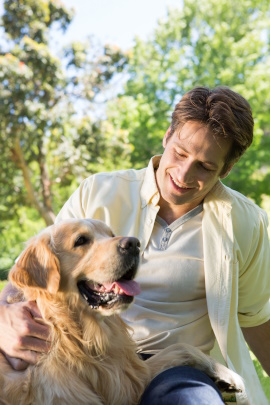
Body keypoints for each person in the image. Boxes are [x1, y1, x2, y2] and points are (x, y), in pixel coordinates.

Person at [0, 86, 270, 404]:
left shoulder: (246, 223)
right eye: (180, 153)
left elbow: (257, 319)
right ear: (167, 136)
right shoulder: (98, 191)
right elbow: (35, 271)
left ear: (226, 169)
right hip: (81, 354)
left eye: (205, 166)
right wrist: (3, 317)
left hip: (174, 368)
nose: (183, 174)